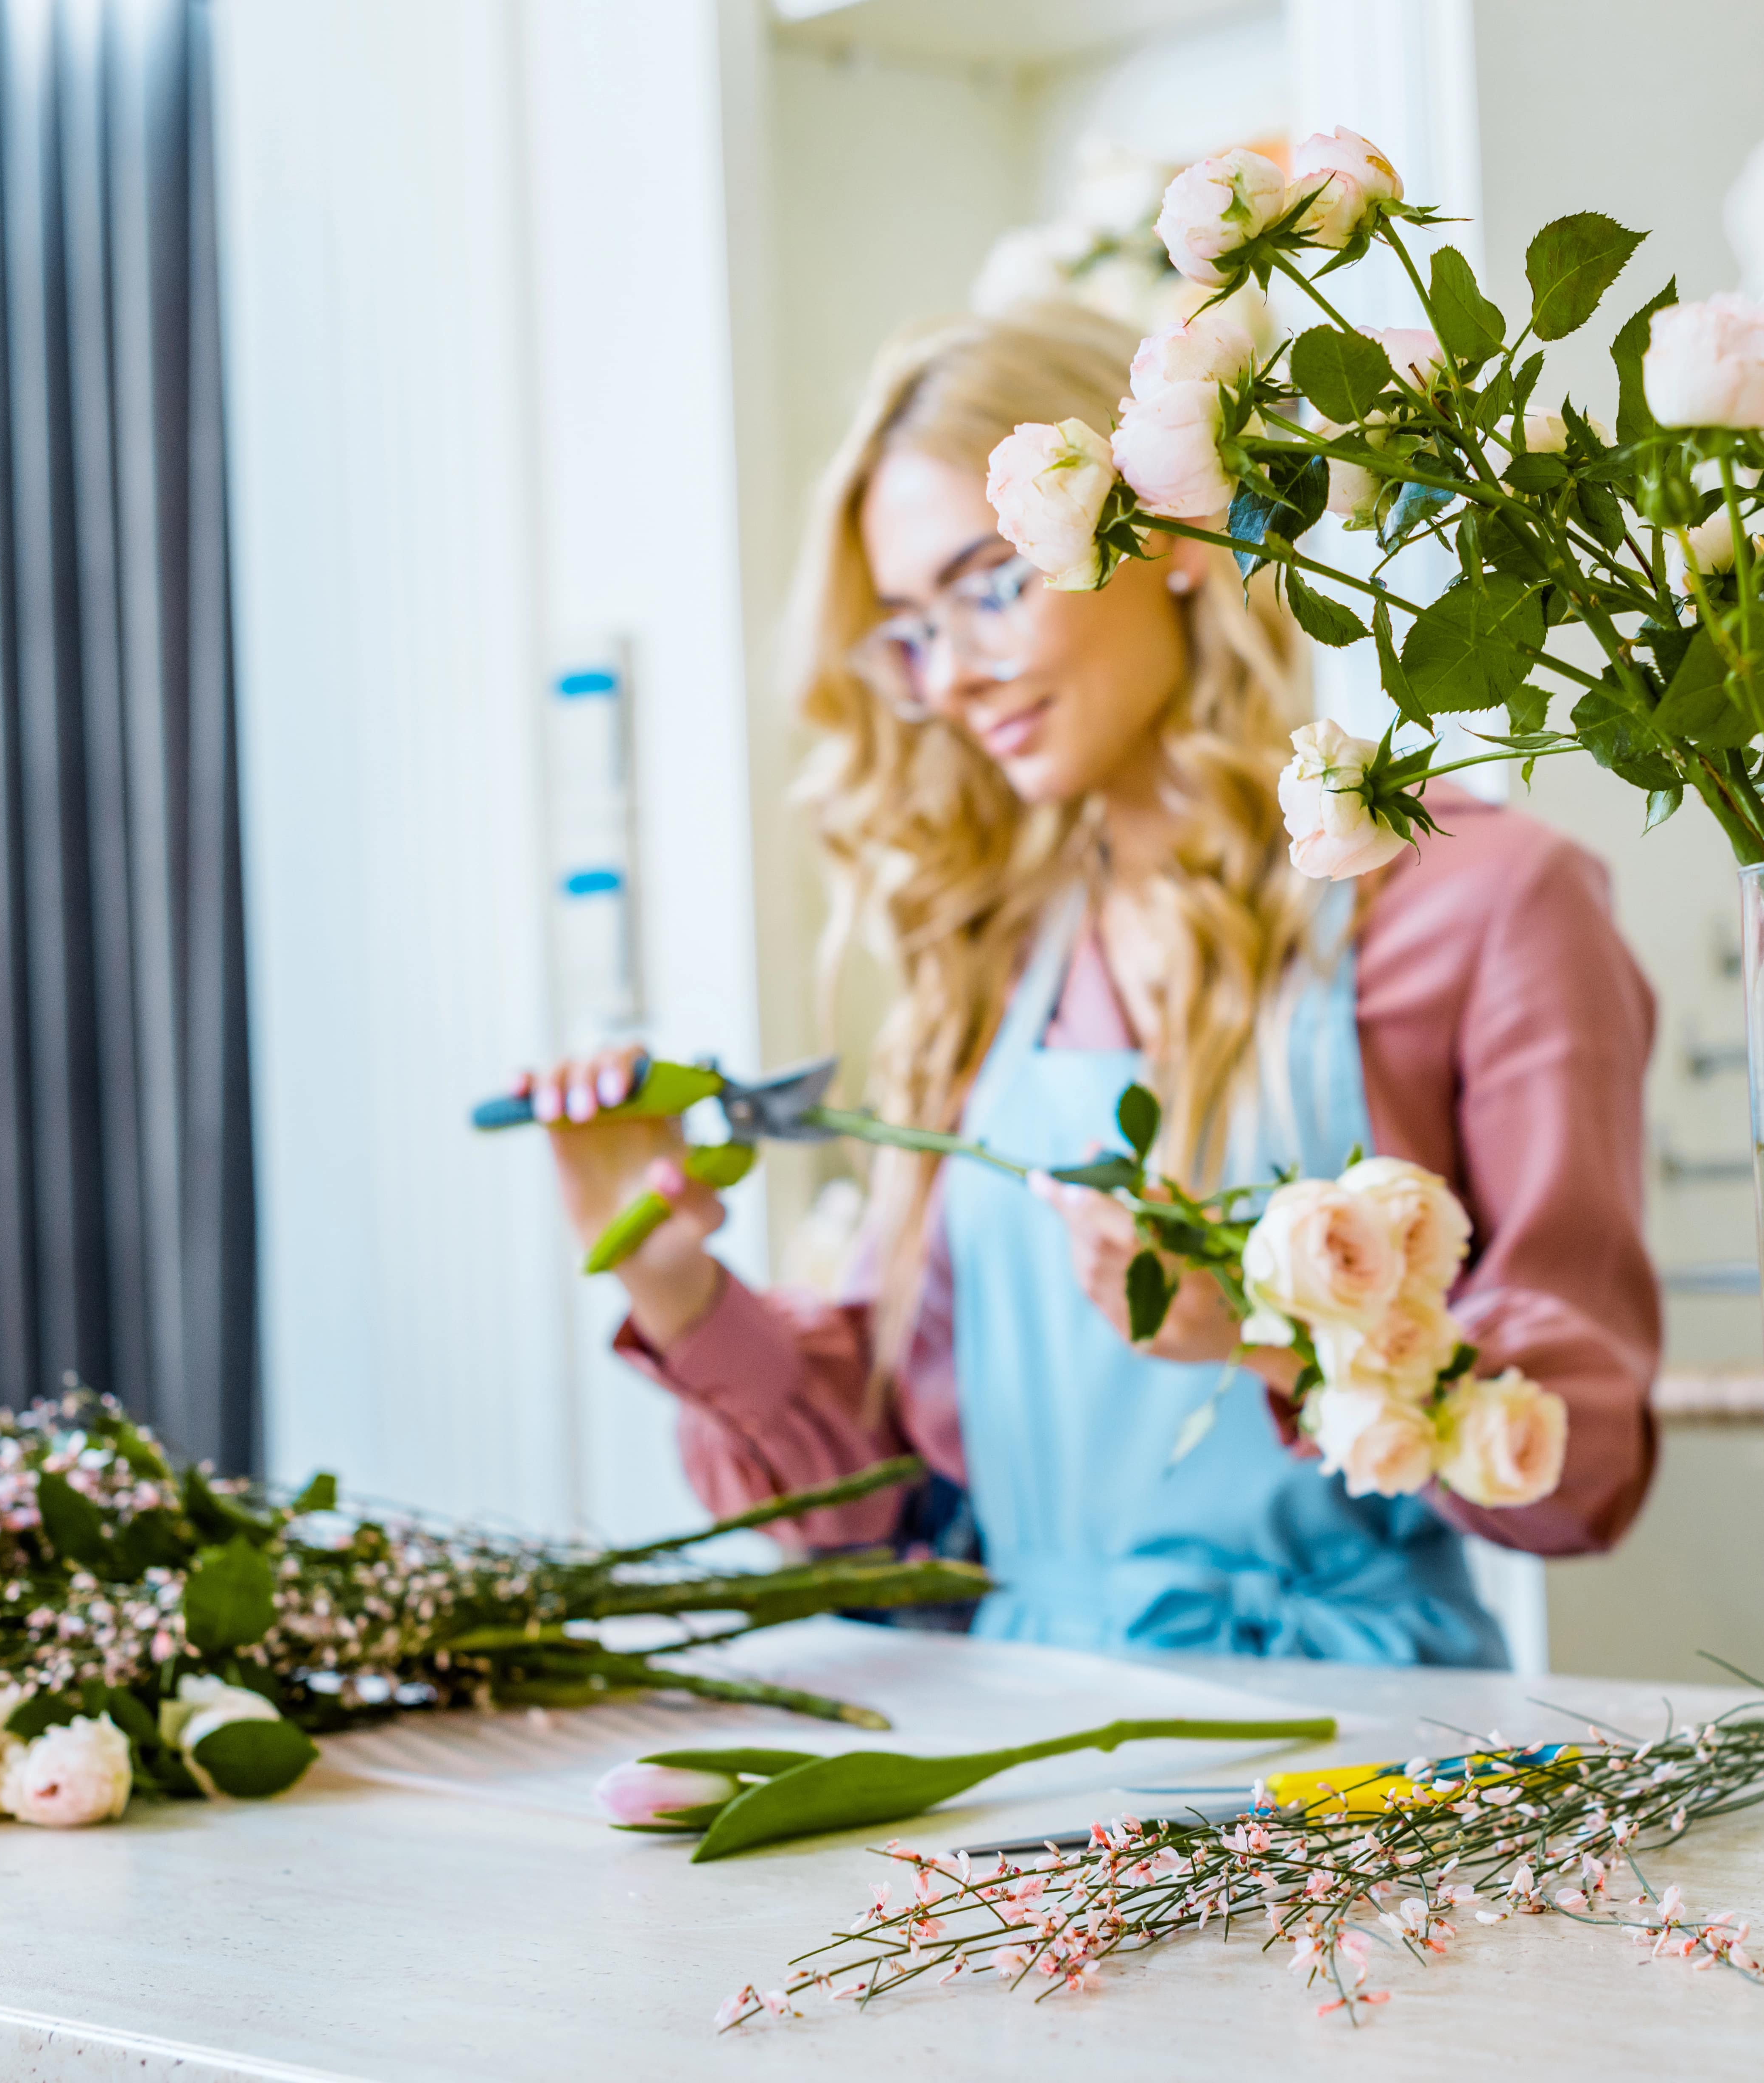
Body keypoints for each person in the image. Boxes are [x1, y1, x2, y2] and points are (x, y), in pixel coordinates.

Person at [519, 303, 1662, 1668]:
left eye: (990, 586)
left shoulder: (1482, 901)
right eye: (909, 631)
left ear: (1170, 538)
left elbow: (1582, 1462)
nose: (949, 680)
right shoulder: (993, 957)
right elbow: (892, 1507)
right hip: (1019, 1727)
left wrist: (1267, 1338)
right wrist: (676, 1287)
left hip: (1360, 1763)